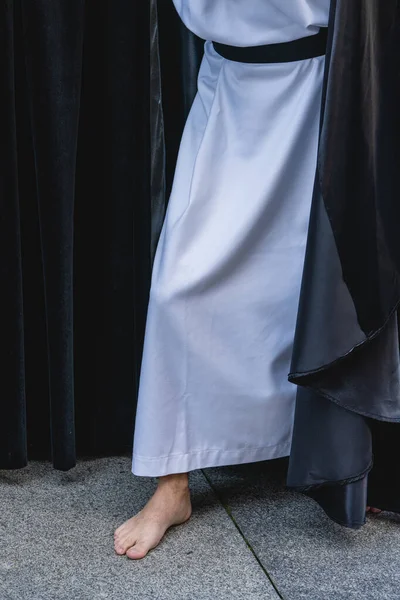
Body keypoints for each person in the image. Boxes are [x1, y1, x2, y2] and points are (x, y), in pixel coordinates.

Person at [114, 0, 332, 560]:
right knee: (180, 285)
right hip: (233, 88)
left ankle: (346, 456)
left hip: (326, 88)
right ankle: (173, 484)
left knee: (328, 282)